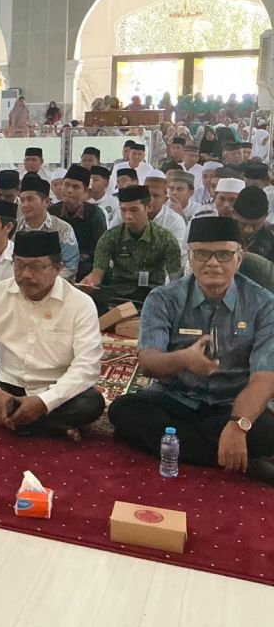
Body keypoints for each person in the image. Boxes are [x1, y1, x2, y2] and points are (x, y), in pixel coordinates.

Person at [109, 217, 274, 484]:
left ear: (239, 258)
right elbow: (148, 362)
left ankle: (189, 445)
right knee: (124, 411)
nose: (213, 263)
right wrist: (184, 359)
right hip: (175, 400)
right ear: (190, 257)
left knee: (267, 429)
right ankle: (243, 462)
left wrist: (238, 424)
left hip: (232, 403)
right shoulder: (163, 298)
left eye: (223, 254)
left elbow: (264, 377)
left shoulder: (264, 304)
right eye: (202, 254)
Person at [0, 231, 105, 439]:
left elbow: (87, 365)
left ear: (58, 268)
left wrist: (44, 402)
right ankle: (48, 425)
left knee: (91, 403)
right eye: (19, 265)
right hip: (6, 384)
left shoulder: (80, 304)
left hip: (53, 386)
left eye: (36, 267)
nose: (25, 275)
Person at [80, 185, 183, 303]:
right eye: (123, 210)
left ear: (148, 207)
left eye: (134, 210)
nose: (128, 216)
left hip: (153, 297)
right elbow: (96, 277)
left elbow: (176, 282)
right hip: (118, 296)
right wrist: (85, 286)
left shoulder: (166, 239)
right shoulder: (110, 237)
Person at [16, 173, 79, 280]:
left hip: (53, 285)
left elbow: (70, 267)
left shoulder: (62, 229)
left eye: (30, 199)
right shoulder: (14, 228)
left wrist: (44, 281)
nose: (25, 205)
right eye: (22, 200)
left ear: (46, 202)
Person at [48, 165, 106, 281]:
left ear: (86, 191)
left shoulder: (95, 214)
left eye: (76, 187)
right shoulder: (52, 211)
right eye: (66, 185)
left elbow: (100, 249)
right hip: (56, 265)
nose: (69, 190)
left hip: (84, 267)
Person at [233, 186, 274, 260]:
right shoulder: (216, 235)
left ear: (266, 216)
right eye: (243, 223)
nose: (248, 230)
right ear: (233, 214)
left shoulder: (271, 241)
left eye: (255, 225)